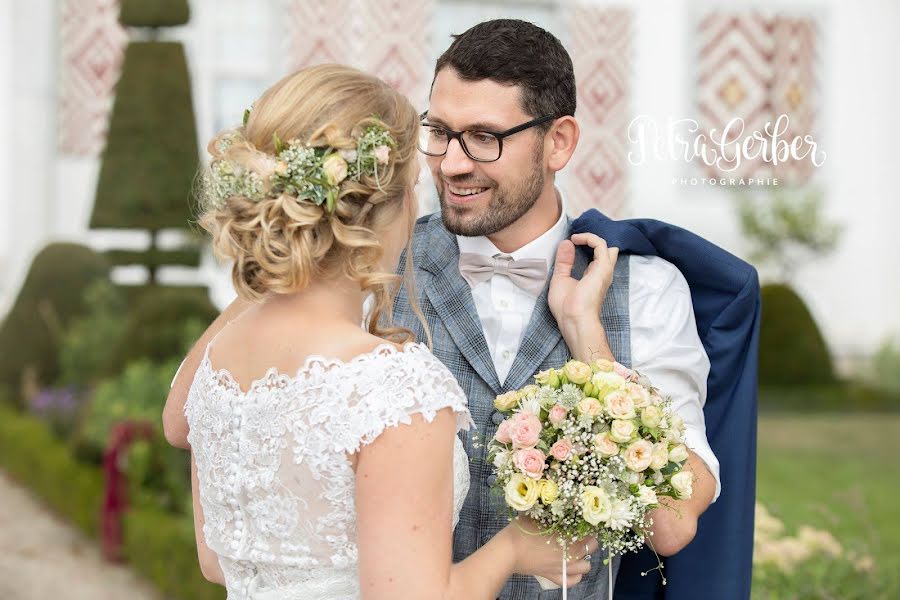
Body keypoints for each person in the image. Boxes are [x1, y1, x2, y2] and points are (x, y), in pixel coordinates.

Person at [165, 63, 598, 600]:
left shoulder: (218, 359)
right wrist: (513, 547)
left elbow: (216, 561)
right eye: (413, 185)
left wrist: (274, 259)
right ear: (380, 207)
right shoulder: (393, 388)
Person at [390, 19, 721, 599]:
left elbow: (670, 525)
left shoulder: (646, 289)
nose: (450, 164)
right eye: (440, 131)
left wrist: (588, 339)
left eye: (485, 137)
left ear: (559, 142)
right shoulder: (375, 270)